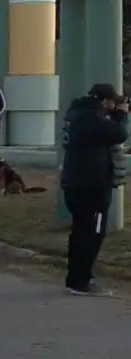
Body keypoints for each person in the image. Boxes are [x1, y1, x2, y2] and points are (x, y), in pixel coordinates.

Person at [60, 83, 128, 297]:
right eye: (113, 102)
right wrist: (122, 116)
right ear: (104, 101)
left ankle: (74, 278)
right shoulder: (94, 119)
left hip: (74, 182)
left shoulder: (76, 114)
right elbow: (119, 134)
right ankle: (82, 280)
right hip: (93, 185)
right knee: (92, 234)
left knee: (79, 232)